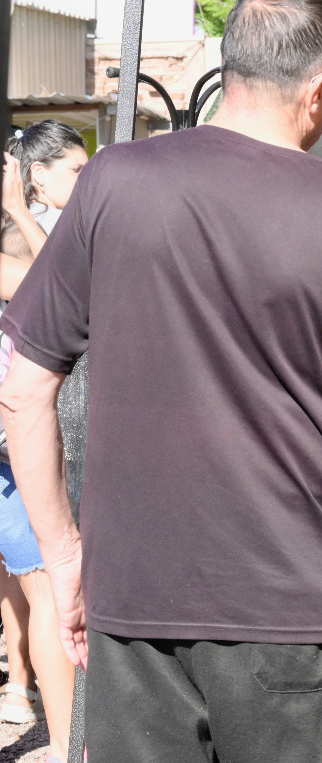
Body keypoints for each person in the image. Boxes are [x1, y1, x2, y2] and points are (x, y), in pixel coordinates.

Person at [0, 0, 322, 762]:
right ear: (320, 89)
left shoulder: (110, 181)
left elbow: (23, 386)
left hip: (133, 595)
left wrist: (66, 556)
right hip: (298, 601)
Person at [0, 150, 69, 754]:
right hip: (9, 454)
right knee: (45, 587)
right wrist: (21, 211)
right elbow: (54, 287)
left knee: (34, 584)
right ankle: (69, 735)